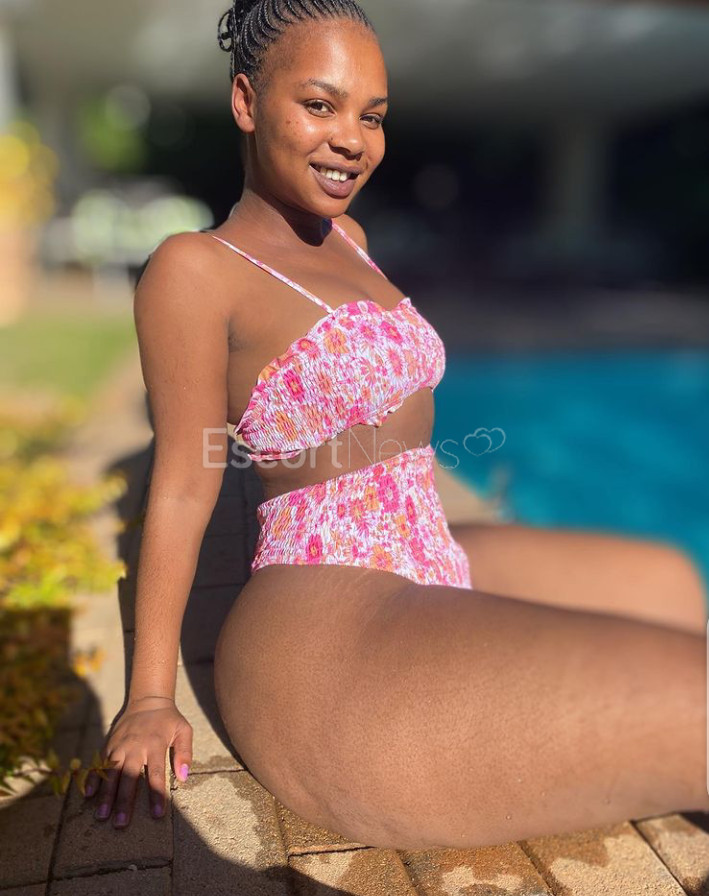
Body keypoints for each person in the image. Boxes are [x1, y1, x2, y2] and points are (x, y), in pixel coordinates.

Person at [84, 0, 709, 850]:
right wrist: (152, 696)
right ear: (246, 101)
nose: (351, 139)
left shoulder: (349, 237)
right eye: (320, 105)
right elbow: (185, 483)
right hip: (325, 618)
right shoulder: (194, 270)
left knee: (667, 582)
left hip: (428, 552)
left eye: (370, 117)